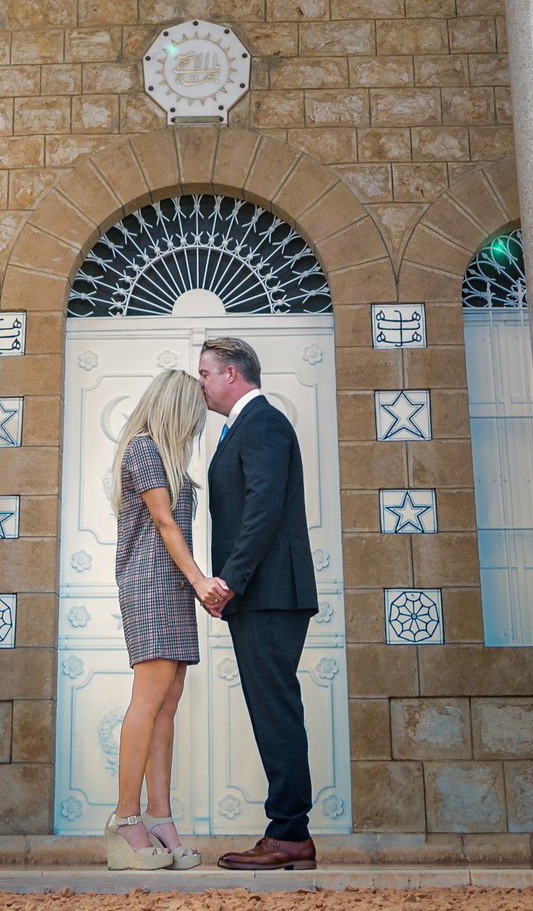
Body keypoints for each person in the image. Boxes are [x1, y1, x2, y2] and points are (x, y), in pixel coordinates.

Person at [196, 334, 318, 870]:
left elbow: (263, 508)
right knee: (272, 710)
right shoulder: (238, 428)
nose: (199, 383)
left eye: (205, 373)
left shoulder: (263, 420)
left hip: (269, 592)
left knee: (276, 710)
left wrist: (229, 581)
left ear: (232, 374)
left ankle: (289, 833)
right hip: (259, 594)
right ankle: (287, 830)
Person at [105, 368, 227, 871]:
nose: (198, 423)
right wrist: (201, 580)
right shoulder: (143, 449)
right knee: (148, 697)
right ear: (178, 407)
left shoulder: (167, 457)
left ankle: (160, 815)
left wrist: (192, 582)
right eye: (194, 412)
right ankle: (125, 818)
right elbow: (162, 521)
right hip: (152, 582)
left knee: (168, 703)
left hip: (172, 585)